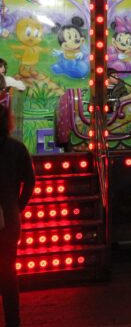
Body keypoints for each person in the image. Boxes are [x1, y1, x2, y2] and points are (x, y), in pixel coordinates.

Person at [0, 104, 35, 327]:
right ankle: (13, 320)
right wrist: (17, 206)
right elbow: (30, 181)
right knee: (8, 271)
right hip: (9, 217)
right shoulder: (17, 148)